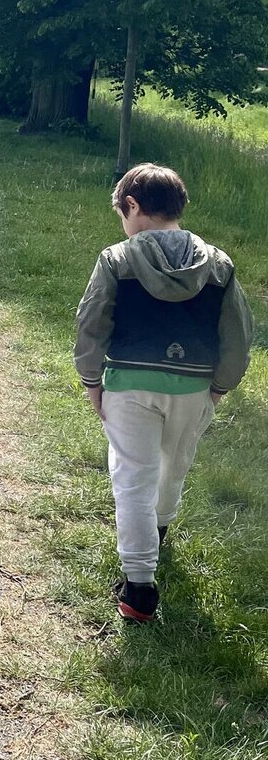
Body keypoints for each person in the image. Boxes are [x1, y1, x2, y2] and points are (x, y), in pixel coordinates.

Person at [75, 163, 253, 622]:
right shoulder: (219, 265)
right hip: (194, 386)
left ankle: (139, 588)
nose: (123, 223)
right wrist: (220, 387)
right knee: (173, 467)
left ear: (132, 205)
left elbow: (92, 323)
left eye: (122, 214)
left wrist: (92, 381)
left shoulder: (116, 259)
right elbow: (237, 335)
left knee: (133, 478)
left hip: (129, 385)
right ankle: (158, 535)